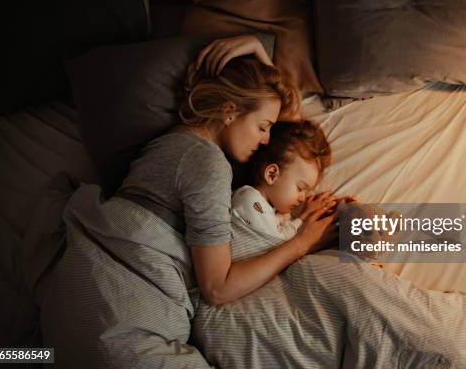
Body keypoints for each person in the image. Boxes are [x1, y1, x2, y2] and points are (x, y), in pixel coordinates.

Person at [117, 33, 342, 307]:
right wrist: (301, 243)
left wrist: (261, 56)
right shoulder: (208, 163)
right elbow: (217, 289)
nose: (267, 140)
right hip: (132, 294)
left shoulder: (177, 141)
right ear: (230, 111)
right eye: (263, 127)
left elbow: (294, 141)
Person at [228, 119, 345, 261]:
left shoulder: (269, 211)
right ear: (272, 174)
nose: (303, 198)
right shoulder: (248, 198)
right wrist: (303, 219)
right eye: (300, 188)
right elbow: (279, 244)